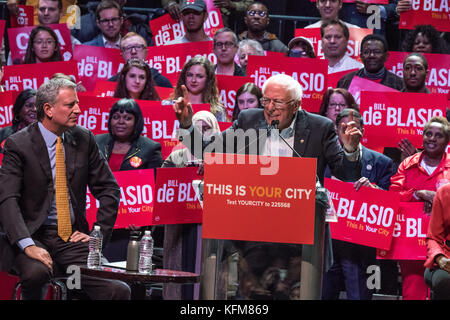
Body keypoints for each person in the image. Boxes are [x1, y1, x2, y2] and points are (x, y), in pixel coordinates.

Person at [174, 74, 363, 299]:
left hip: (299, 243)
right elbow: (209, 150)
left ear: (296, 105)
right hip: (252, 238)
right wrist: (186, 123)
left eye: (278, 102)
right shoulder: (249, 120)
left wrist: (351, 151)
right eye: (266, 101)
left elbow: (346, 173)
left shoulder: (319, 127)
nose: (270, 108)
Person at [0, 77, 130, 300]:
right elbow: (7, 199)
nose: (78, 110)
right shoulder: (17, 144)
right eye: (71, 105)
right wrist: (27, 245)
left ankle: (74, 283)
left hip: (71, 239)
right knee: (36, 274)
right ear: (48, 109)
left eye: (77, 103)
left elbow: (109, 189)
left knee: (118, 290)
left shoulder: (84, 138)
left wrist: (97, 235)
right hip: (32, 235)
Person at [322, 108, 395, 300]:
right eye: (343, 127)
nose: (348, 132)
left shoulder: (382, 162)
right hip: (325, 242)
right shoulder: (321, 159)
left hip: (359, 248)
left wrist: (374, 190)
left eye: (354, 127)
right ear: (336, 129)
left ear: (363, 130)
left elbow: (393, 201)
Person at [95, 98, 163, 262]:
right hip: (98, 221)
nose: (120, 122)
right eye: (116, 117)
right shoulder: (97, 142)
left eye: (127, 118)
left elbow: (156, 188)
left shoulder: (150, 148)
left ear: (136, 121)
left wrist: (143, 219)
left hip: (127, 228)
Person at [390, 116, 450, 300]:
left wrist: (438, 199)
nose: (432, 138)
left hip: (445, 241)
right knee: (412, 290)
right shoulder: (407, 165)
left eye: (438, 135)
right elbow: (393, 197)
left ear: (447, 141)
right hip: (411, 239)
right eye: (428, 134)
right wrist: (418, 194)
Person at [162, 110, 220, 300]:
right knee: (177, 280)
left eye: (207, 128)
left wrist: (215, 167)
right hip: (180, 228)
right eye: (197, 128)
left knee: (210, 280)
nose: (202, 133)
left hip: (212, 228)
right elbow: (162, 188)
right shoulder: (176, 157)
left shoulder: (225, 159)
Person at [336, 34, 404, 91]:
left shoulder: (398, 84)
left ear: (386, 56)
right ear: (361, 56)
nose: (371, 55)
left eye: (377, 52)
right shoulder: (346, 81)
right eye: (367, 52)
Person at [108, 32, 173, 88]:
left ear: (146, 52)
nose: (133, 51)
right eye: (128, 48)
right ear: (122, 54)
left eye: (138, 47)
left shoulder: (162, 82)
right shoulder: (111, 84)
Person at [170, 56, 226, 121]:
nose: (193, 80)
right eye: (190, 75)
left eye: (199, 76)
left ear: (208, 80)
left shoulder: (218, 111)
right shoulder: (169, 105)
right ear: (184, 77)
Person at [424, 182, 450, 300]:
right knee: (442, 280)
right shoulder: (444, 192)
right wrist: (440, 258)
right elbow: (433, 237)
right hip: (447, 257)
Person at [162, 0, 254, 33]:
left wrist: (233, 5)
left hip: (219, 24)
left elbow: (250, 4)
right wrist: (170, 3)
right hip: (184, 22)